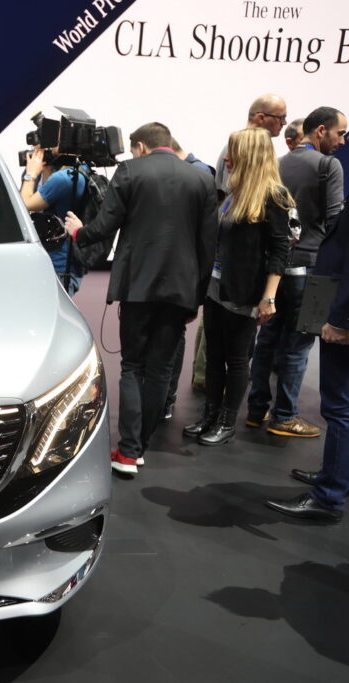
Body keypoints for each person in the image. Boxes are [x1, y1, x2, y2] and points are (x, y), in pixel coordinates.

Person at [64, 122, 217, 476]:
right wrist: (196, 298)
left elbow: (105, 225)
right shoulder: (203, 179)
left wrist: (78, 233)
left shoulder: (130, 171)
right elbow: (208, 245)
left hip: (137, 287)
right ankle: (137, 448)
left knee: (132, 366)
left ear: (141, 147)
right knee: (160, 371)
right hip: (180, 291)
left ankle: (129, 452)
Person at [183, 129, 292, 446]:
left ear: (250, 156)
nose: (227, 158)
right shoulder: (235, 192)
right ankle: (210, 415)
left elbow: (280, 251)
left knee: (237, 359)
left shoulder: (273, 196)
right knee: (214, 356)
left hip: (244, 292)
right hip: (216, 288)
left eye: (233, 152)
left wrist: (268, 297)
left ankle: (226, 422)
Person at [246, 106, 347, 437]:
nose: (343, 141)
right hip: (313, 269)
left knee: (268, 340)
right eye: (340, 133)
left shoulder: (279, 163)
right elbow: (335, 222)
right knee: (298, 345)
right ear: (321, 131)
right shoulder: (329, 166)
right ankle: (285, 416)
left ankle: (256, 410)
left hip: (276, 267)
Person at [266, 205, 349, 523]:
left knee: (339, 409)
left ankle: (328, 497)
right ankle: (337, 476)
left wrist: (340, 320)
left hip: (342, 315)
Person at [163, 136, 215, 419]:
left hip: (182, 273)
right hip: (180, 272)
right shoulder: (197, 173)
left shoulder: (199, 173)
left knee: (175, 335)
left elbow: (200, 236)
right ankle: (165, 399)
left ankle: (167, 399)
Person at [21, 145, 88, 295]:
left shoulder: (63, 178)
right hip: (60, 262)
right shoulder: (79, 170)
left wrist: (30, 174)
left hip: (58, 267)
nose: (36, 149)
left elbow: (25, 204)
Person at [215, 94, 288, 201]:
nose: (284, 123)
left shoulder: (251, 148)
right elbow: (232, 194)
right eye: (281, 118)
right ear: (261, 118)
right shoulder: (238, 148)